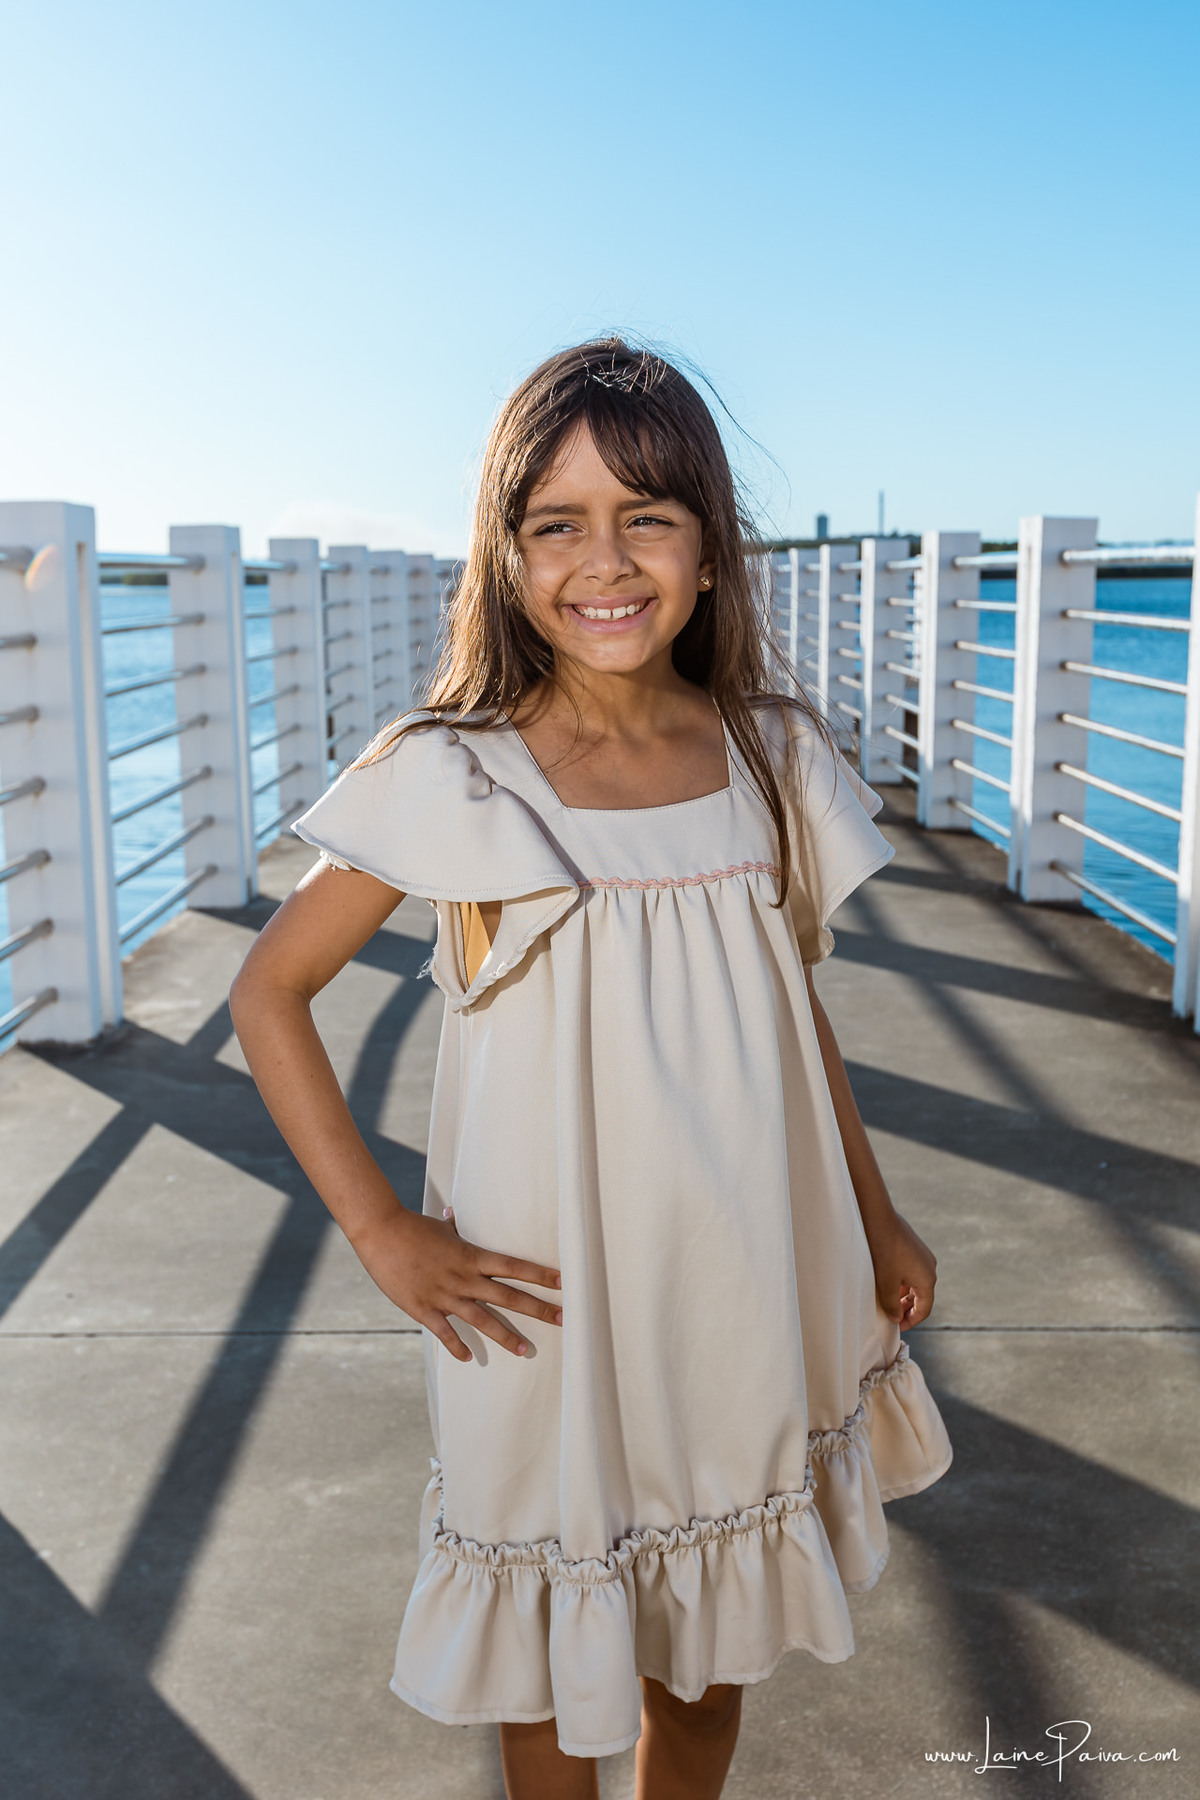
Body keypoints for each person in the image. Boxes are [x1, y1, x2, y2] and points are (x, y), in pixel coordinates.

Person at [230, 338, 952, 1800]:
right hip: (542, 1302)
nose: (602, 561)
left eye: (646, 517)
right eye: (555, 523)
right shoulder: (456, 771)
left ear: (706, 547)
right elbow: (271, 992)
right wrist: (382, 1231)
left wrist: (874, 1217)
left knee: (704, 1661)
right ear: (505, 554)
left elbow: (790, 1012)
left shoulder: (767, 756)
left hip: (739, 1278)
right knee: (557, 1670)